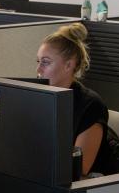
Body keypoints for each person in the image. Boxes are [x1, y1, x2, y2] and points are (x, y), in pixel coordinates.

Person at [36, 22, 111, 177]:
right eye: (38, 61)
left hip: (83, 190)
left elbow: (80, 168)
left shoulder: (91, 105)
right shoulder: (41, 97)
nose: (38, 70)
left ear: (68, 65)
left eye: (45, 62)